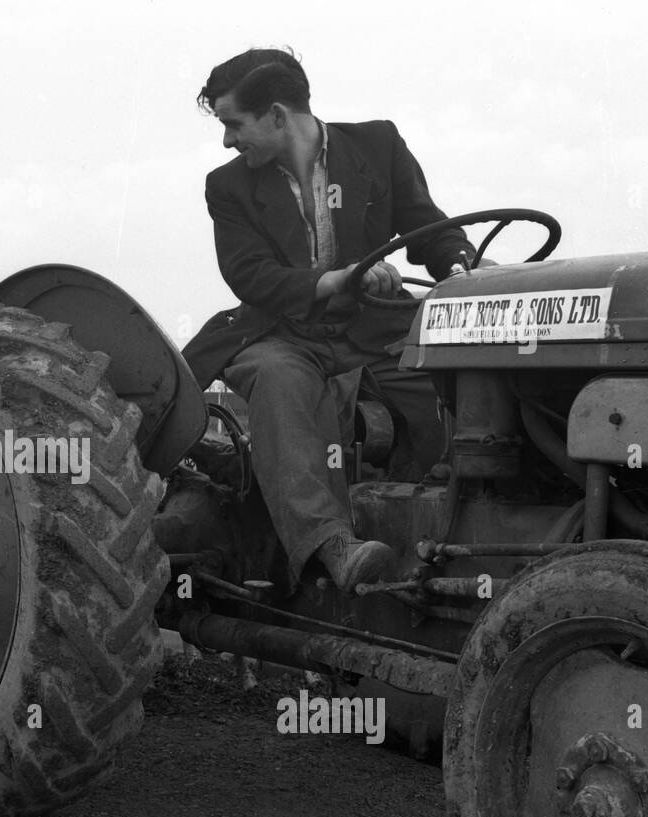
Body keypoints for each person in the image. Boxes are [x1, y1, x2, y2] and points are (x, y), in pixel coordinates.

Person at [182, 47, 482, 593]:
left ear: (277, 115)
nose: (228, 140)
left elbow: (430, 229)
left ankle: (455, 532)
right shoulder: (227, 187)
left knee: (463, 378)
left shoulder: (378, 146)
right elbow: (252, 276)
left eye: (233, 124)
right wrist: (337, 279)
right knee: (278, 380)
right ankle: (330, 547)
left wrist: (463, 269)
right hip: (283, 333)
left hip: (374, 333)